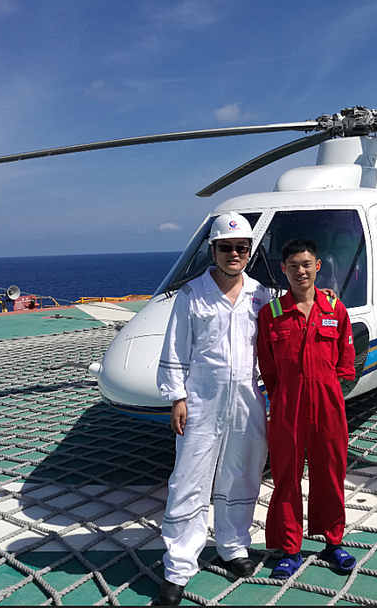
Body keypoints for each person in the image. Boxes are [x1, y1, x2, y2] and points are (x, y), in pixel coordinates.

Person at [156, 212, 272, 605]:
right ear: (213, 250)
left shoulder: (261, 295)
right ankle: (178, 568)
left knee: (242, 473)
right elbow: (175, 349)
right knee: (188, 481)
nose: (233, 254)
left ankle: (233, 546)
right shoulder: (192, 295)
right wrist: (177, 397)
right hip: (201, 400)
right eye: (226, 247)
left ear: (249, 251)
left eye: (241, 248)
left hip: (248, 400)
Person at [257, 239, 356, 579]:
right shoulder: (271, 314)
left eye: (306, 264)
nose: (301, 271)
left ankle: (333, 542)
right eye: (293, 266)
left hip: (328, 400)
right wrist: (284, 395)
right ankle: (290, 549)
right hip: (288, 402)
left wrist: (329, 388)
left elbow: (345, 358)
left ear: (317, 266)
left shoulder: (335, 309)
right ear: (283, 269)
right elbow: (268, 367)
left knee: (331, 472)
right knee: (286, 476)